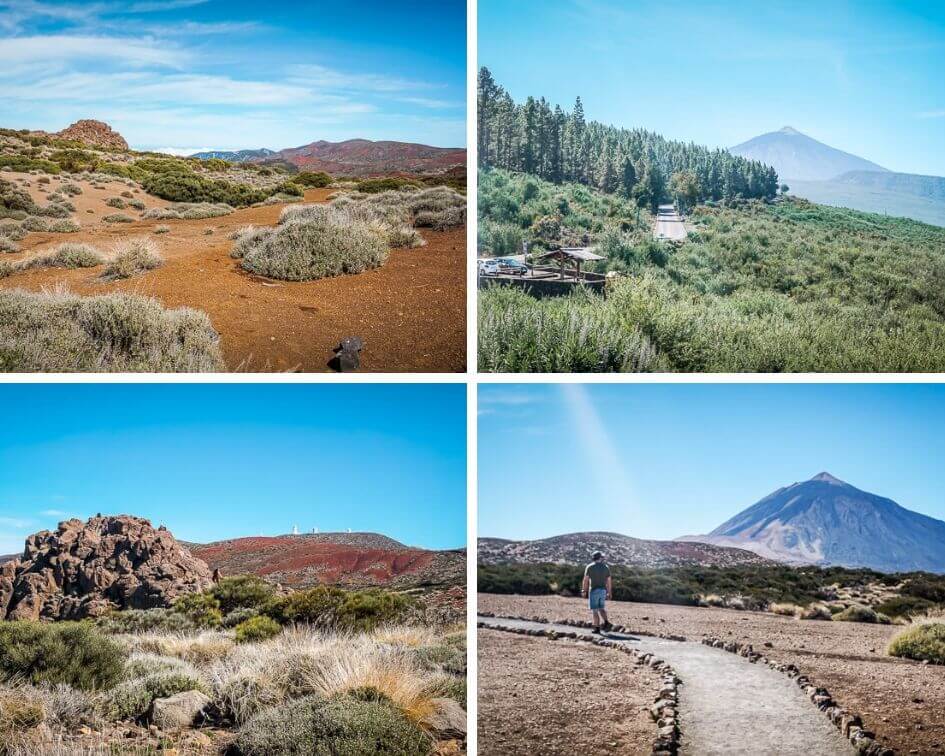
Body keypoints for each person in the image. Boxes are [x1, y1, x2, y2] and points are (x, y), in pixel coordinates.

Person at [581, 551, 613, 634]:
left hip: (594, 590)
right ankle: (606, 622)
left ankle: (597, 628)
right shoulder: (606, 567)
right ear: (600, 558)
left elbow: (586, 580)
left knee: (595, 611)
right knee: (601, 608)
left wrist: (584, 590)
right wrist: (609, 592)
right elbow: (609, 581)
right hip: (603, 591)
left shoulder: (589, 567)